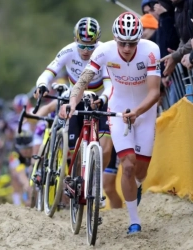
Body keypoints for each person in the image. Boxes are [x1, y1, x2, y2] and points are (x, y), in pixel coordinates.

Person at [59, 12, 161, 234]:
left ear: (138, 40)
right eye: (122, 43)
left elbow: (154, 92)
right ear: (115, 39)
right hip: (117, 107)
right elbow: (82, 82)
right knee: (128, 165)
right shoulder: (103, 51)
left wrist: (137, 111)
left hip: (145, 110)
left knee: (140, 172)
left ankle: (138, 185)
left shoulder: (151, 50)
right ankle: (134, 221)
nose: (126, 48)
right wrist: (72, 103)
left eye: (131, 43)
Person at [34, 17, 122, 208]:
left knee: (106, 148)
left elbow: (109, 85)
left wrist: (104, 99)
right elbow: (50, 71)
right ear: (75, 40)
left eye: (90, 47)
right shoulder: (68, 51)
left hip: (100, 99)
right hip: (75, 98)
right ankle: (74, 181)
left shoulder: (103, 52)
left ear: (97, 42)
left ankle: (96, 184)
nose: (85, 51)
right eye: (82, 46)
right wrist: (42, 85)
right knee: (73, 150)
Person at [9, 130, 33, 206]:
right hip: (21, 173)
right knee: (15, 175)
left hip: (31, 172)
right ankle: (17, 202)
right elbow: (19, 172)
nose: (25, 151)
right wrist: (26, 183)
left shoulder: (35, 150)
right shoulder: (14, 154)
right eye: (22, 148)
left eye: (27, 148)